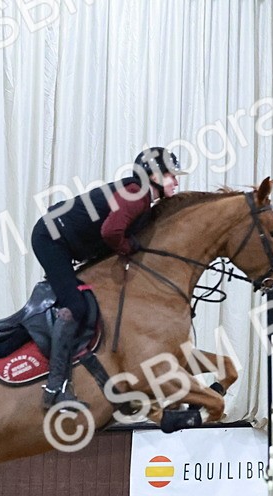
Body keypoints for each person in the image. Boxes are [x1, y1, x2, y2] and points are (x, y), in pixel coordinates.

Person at [33, 146, 186, 409]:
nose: (177, 180)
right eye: (171, 175)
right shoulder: (136, 195)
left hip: (63, 239)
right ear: (154, 176)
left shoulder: (141, 197)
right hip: (50, 239)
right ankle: (55, 386)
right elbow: (111, 231)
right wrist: (129, 248)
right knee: (75, 306)